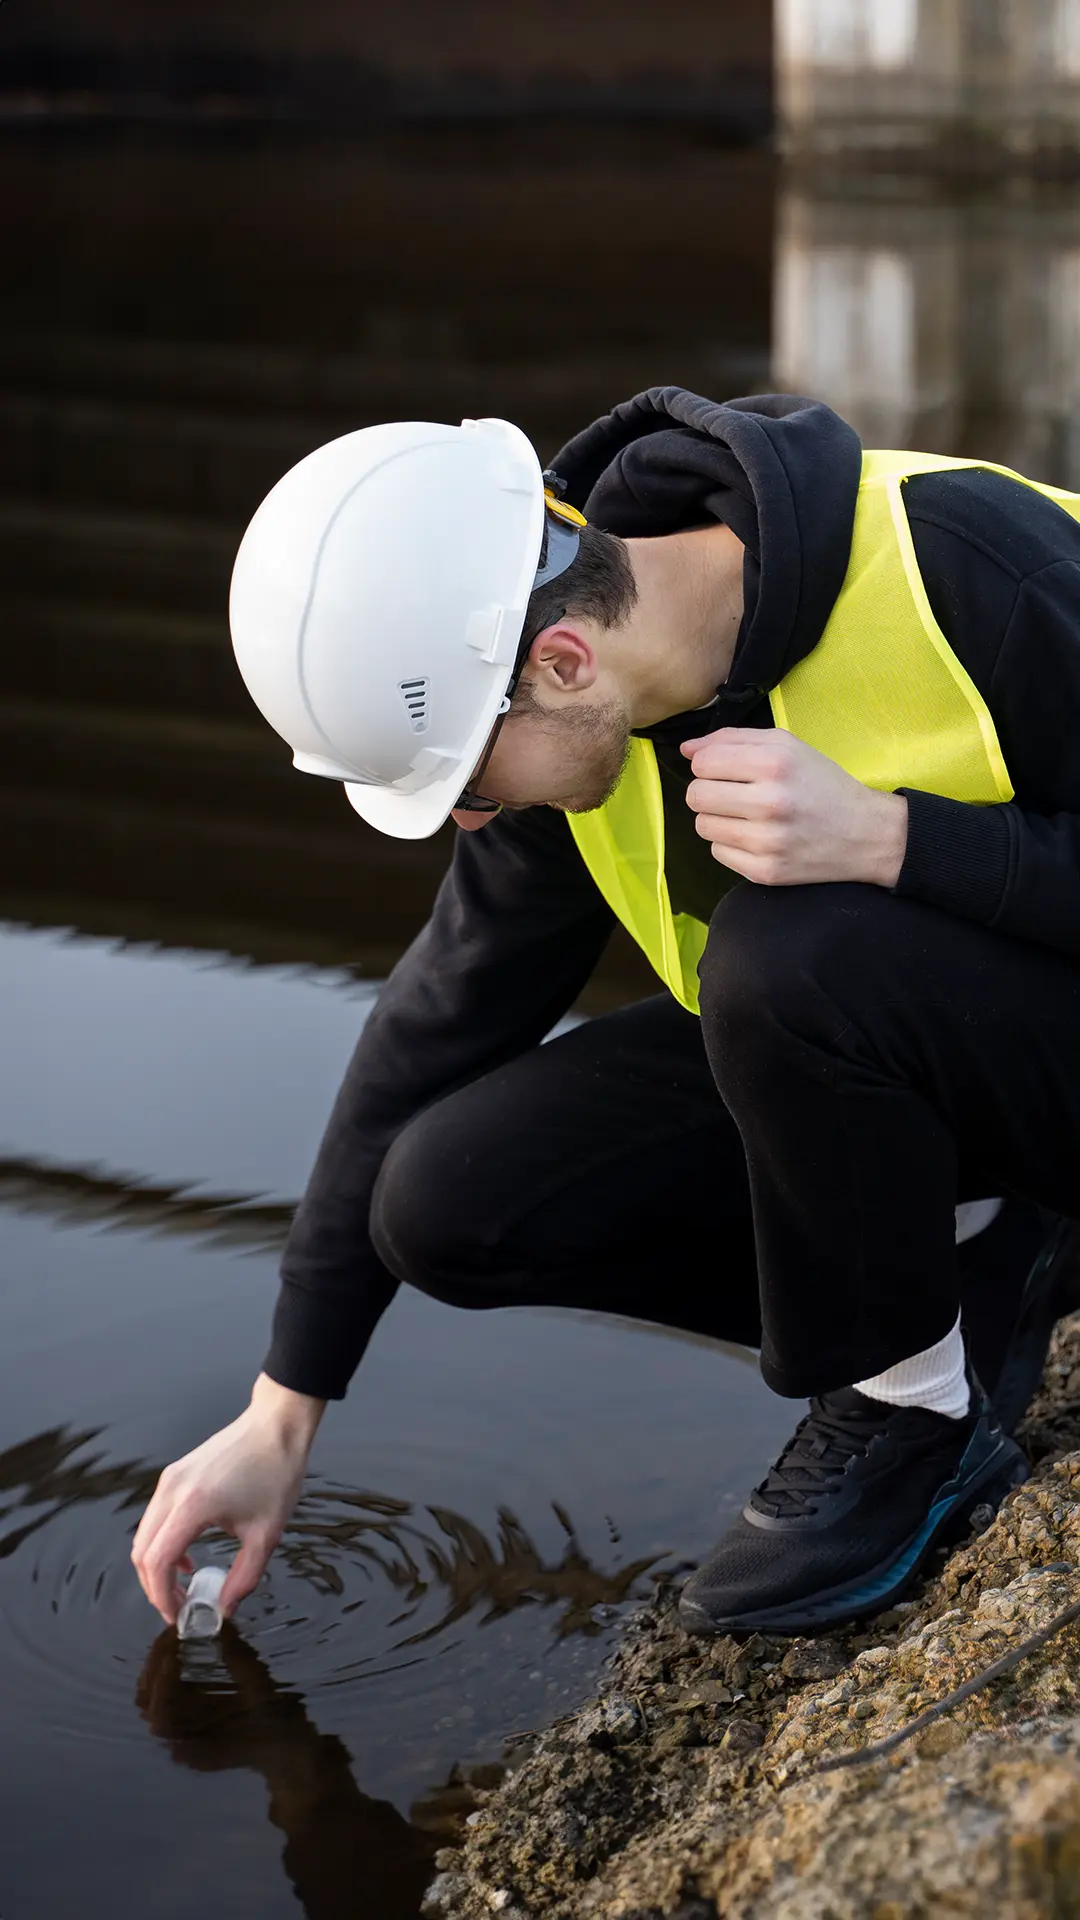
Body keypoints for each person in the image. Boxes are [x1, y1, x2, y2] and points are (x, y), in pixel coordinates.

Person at [133, 389, 1080, 1640]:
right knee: (444, 1199)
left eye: (467, 780)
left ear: (560, 661)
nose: (469, 821)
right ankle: (966, 1307)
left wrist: (902, 840)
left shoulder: (964, 561)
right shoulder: (583, 726)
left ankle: (911, 1416)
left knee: (783, 948)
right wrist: (283, 1406)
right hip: (882, 1041)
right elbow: (437, 1022)